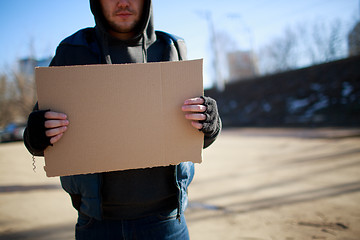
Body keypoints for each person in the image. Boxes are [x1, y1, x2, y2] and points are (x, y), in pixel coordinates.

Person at [23, 0, 221, 239]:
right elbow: (36, 139)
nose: (123, 2)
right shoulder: (73, 50)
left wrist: (210, 123)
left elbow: (196, 135)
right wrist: (37, 133)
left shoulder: (171, 47)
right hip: (96, 223)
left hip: (166, 221)